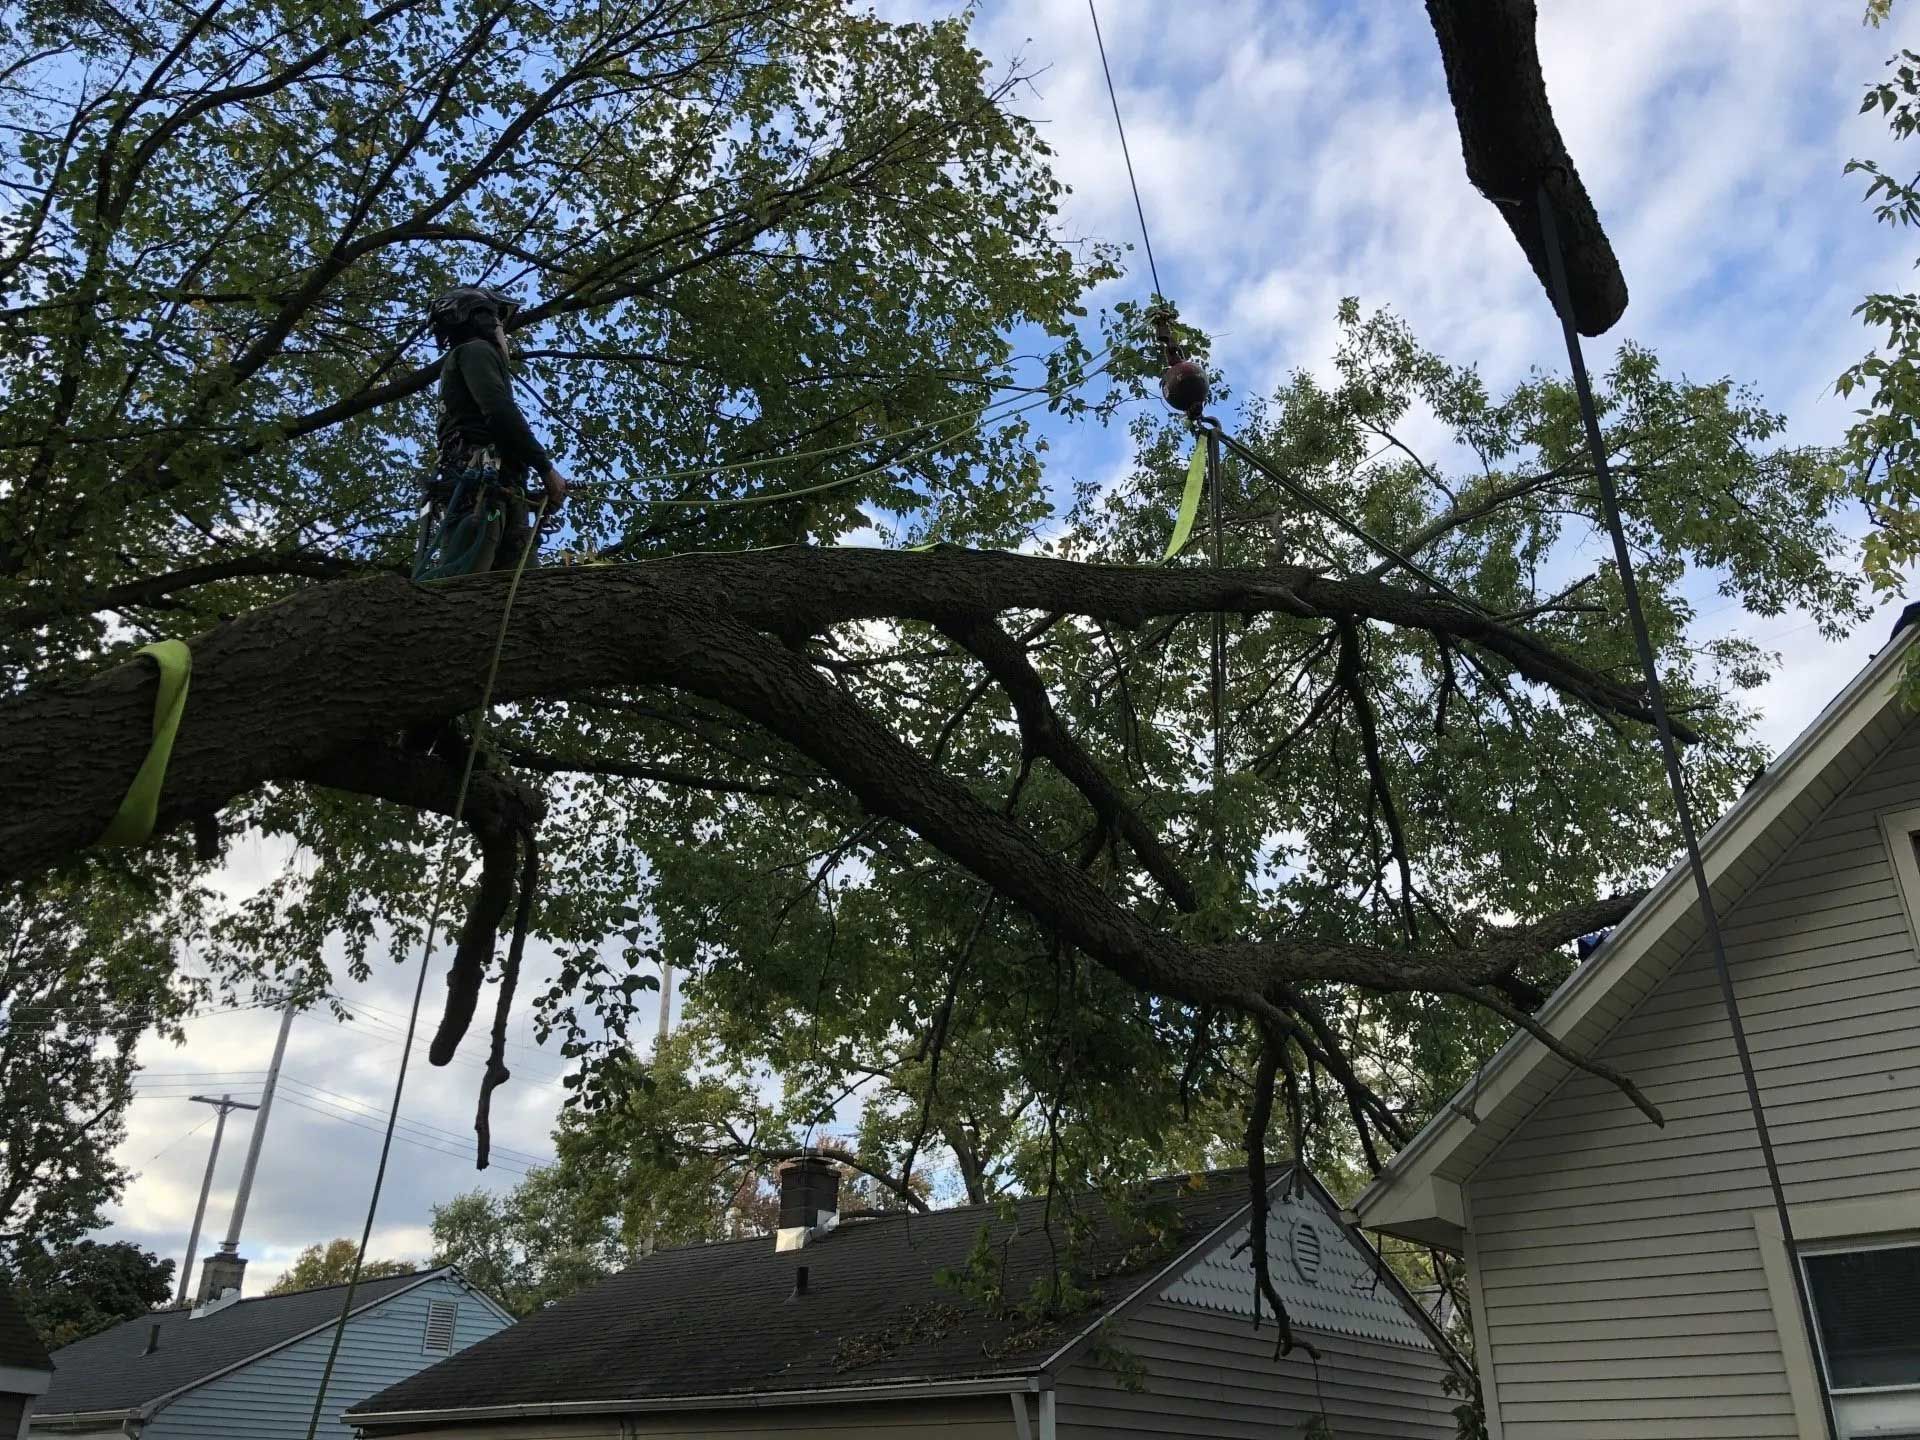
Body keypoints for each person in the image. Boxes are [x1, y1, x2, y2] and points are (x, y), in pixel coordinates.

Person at [416, 285, 567, 579]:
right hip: (479, 489)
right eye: (498, 323)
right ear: (481, 319)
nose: (502, 332)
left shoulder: (469, 358)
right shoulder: (476, 351)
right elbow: (499, 412)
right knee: (465, 584)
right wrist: (546, 468)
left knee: (519, 593)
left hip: (502, 488)